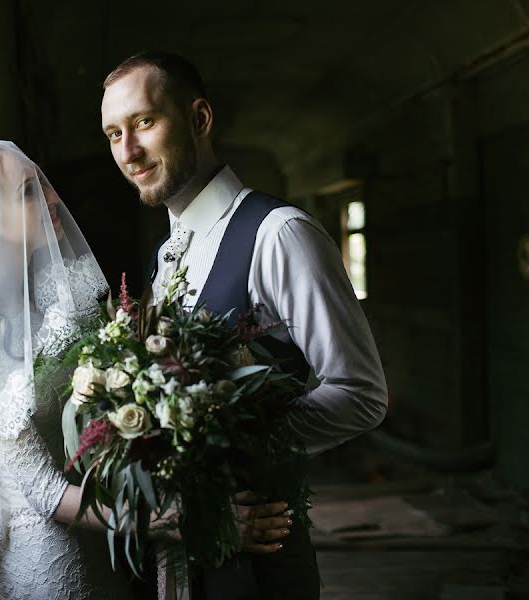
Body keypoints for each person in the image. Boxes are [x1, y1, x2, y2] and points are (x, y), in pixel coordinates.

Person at [0, 140, 287, 600]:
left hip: (102, 531)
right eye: (28, 191)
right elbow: (43, 492)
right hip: (50, 554)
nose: (51, 199)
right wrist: (181, 520)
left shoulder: (49, 302)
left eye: (43, 186)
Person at [101, 52, 389, 599]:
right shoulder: (166, 256)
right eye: (114, 134)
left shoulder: (279, 235)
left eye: (143, 123)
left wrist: (231, 445)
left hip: (260, 567)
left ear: (200, 119)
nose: (128, 152)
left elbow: (361, 394)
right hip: (182, 558)